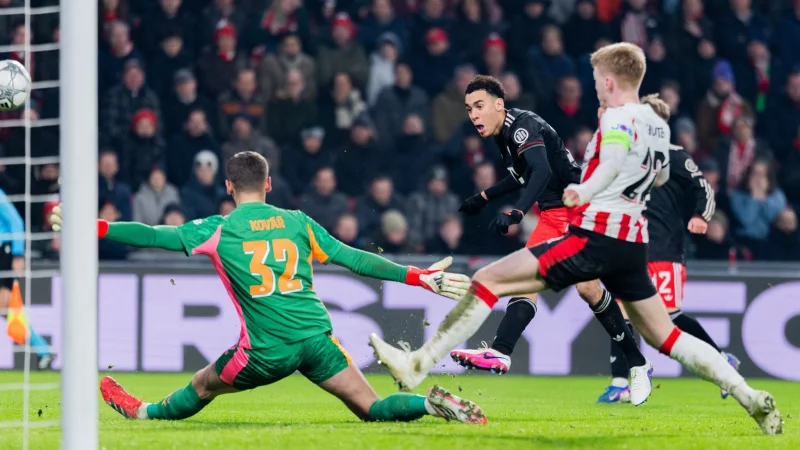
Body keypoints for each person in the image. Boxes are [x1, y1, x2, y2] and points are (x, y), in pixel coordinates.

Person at [369, 43, 781, 435]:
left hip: (593, 235)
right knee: (667, 336)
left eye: (599, 77)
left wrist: (585, 191)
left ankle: (419, 366)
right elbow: (659, 177)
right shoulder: (656, 127)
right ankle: (748, 394)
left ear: (611, 80)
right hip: (632, 243)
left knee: (489, 279)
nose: (597, 84)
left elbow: (610, 161)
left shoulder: (616, 119)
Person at [49, 152, 485, 425]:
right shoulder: (298, 221)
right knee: (372, 409)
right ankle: (428, 403)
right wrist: (418, 276)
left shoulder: (219, 228)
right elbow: (356, 258)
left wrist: (94, 226)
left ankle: (141, 412)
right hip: (317, 338)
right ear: (269, 185)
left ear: (228, 188)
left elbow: (152, 234)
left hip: (265, 352)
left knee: (203, 384)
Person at [446, 75, 652, 406]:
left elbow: (540, 172)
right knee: (523, 279)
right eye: (469, 108)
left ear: (500, 104)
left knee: (588, 289)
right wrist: (483, 197)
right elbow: (520, 174)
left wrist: (516, 213)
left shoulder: (521, 126)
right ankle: (500, 353)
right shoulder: (504, 135)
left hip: (581, 209)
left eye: (479, 106)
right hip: (554, 216)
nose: (473, 114)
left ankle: (638, 364)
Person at [591, 94, 740, 403]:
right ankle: (621, 381)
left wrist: (701, 216)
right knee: (618, 310)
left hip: (664, 251)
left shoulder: (676, 156)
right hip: (629, 247)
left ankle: (722, 360)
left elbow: (704, 190)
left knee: (668, 317)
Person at [0, 188, 54, 369]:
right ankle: (43, 349)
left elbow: (15, 221)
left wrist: (17, 254)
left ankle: (43, 350)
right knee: (7, 309)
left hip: (4, 251)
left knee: (5, 305)